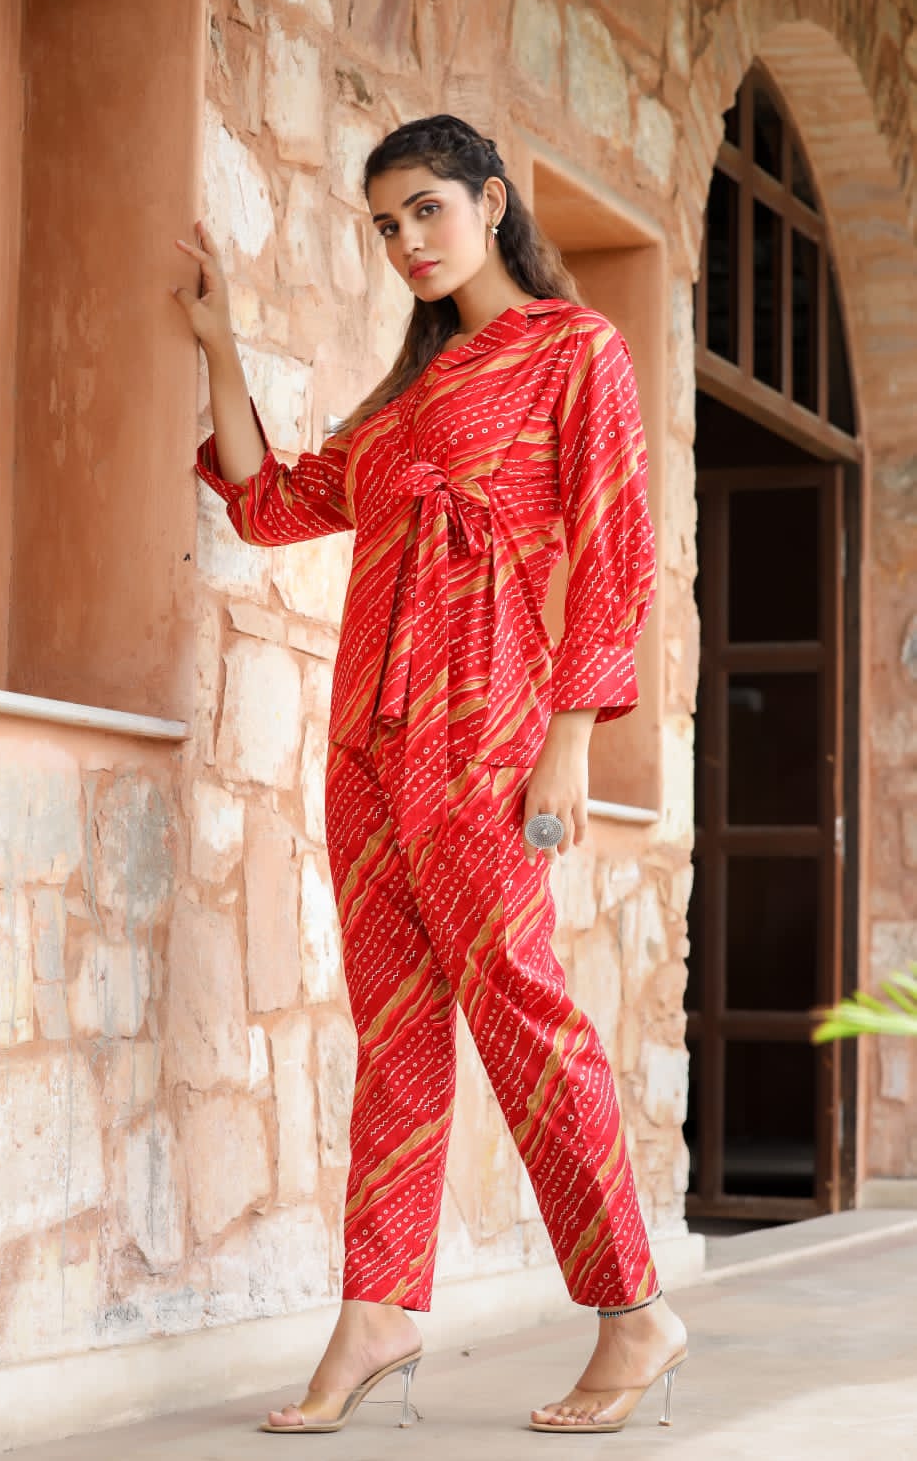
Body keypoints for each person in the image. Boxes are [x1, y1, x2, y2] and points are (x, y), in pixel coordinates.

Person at [174, 114, 688, 1435]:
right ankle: (377, 1310)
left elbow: (616, 551)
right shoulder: (403, 402)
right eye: (385, 224)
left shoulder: (576, 351)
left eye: (427, 211)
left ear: (491, 202)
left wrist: (571, 737)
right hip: (366, 743)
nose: (407, 241)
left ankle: (633, 1310)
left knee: (523, 1011)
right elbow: (269, 505)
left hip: (487, 735)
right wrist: (221, 346)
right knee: (393, 1028)